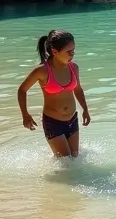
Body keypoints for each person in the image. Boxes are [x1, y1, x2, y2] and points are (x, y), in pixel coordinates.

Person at [16, 30, 90, 158]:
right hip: (53, 122)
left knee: (75, 158)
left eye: (73, 50)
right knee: (66, 162)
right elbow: (22, 90)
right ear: (55, 52)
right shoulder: (42, 71)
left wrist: (85, 109)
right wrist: (25, 114)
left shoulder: (74, 68)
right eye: (69, 52)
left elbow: (77, 89)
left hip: (72, 119)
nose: (73, 54)